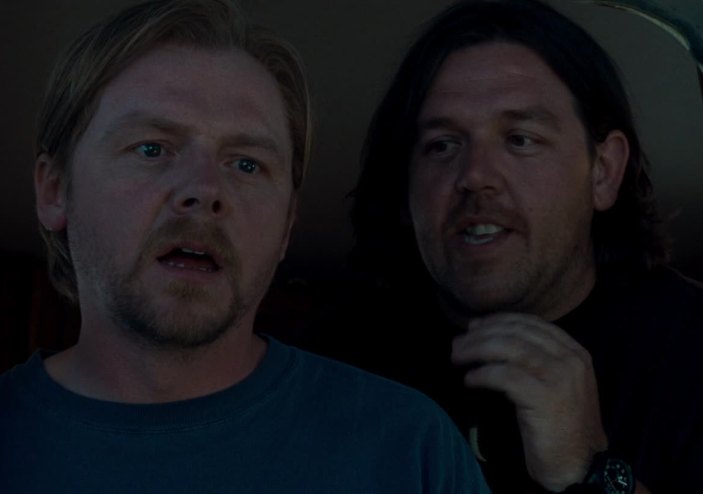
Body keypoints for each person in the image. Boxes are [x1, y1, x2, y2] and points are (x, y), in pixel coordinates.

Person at [0, 1, 491, 492]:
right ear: (54, 191)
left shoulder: (412, 451)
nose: (204, 189)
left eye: (247, 164)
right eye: (152, 149)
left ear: (287, 225)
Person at [300, 0, 703, 492]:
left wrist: (590, 469)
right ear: (404, 187)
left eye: (520, 139)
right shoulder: (330, 369)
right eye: (442, 144)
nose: (475, 176)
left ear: (603, 171)